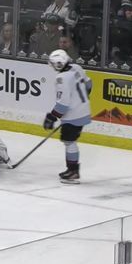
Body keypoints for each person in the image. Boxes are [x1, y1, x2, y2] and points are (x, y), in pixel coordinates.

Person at [41, 49, 92, 183]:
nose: (52, 66)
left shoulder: (61, 78)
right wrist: (80, 100)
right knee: (70, 141)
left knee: (70, 142)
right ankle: (72, 170)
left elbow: (63, 104)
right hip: (83, 110)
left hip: (73, 115)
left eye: (53, 64)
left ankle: (73, 172)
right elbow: (89, 84)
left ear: (58, 64)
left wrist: (51, 117)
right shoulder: (77, 68)